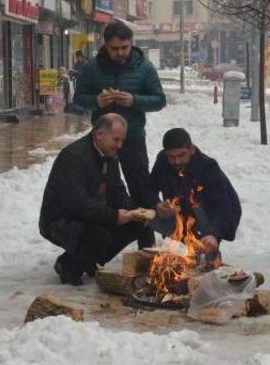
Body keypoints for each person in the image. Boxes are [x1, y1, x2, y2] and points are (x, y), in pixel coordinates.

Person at [74, 21, 166, 249]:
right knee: (101, 192)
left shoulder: (144, 67)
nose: (121, 52)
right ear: (105, 45)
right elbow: (78, 98)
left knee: (141, 189)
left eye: (125, 47)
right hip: (101, 143)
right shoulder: (92, 68)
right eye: (115, 48)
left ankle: (147, 245)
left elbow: (159, 100)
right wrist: (96, 100)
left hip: (133, 139)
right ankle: (96, 244)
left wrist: (135, 100)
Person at [39, 113, 150, 286]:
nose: (120, 146)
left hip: (92, 214)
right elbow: (76, 202)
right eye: (116, 140)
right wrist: (113, 216)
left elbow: (117, 190)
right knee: (98, 237)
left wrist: (135, 211)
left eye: (122, 141)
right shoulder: (73, 157)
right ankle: (68, 264)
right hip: (62, 219)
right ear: (99, 135)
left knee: (135, 224)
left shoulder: (109, 154)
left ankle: (89, 259)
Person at [149, 128, 241, 268]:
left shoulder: (208, 167)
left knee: (199, 214)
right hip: (179, 210)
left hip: (213, 212)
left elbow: (222, 205)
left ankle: (210, 252)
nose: (176, 161)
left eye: (181, 155)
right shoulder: (163, 160)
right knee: (145, 213)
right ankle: (178, 249)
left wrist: (213, 234)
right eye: (171, 157)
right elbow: (149, 188)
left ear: (191, 149)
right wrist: (157, 205)